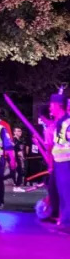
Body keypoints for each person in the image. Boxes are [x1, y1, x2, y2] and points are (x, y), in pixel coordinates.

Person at [50, 91, 70, 232]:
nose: (50, 108)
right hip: (60, 162)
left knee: (67, 193)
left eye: (52, 105)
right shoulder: (60, 123)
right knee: (62, 193)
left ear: (59, 106)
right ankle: (64, 221)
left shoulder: (67, 123)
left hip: (67, 163)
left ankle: (67, 223)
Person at [12, 126, 28, 190]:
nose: (20, 132)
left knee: (19, 172)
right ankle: (17, 186)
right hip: (15, 158)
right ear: (14, 132)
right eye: (18, 131)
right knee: (19, 172)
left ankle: (17, 186)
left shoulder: (18, 141)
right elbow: (15, 150)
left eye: (20, 131)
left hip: (18, 158)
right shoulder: (14, 140)